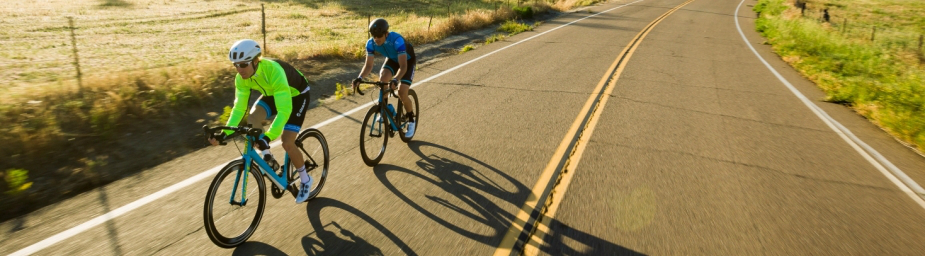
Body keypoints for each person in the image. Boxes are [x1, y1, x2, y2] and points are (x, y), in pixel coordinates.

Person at [209, 39, 314, 204]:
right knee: (252, 118)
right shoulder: (241, 78)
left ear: (255, 60)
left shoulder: (273, 70)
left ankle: (305, 179)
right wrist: (225, 133)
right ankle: (268, 157)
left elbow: (284, 110)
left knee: (287, 142)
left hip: (297, 95)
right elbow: (239, 109)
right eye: (235, 65)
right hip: (274, 92)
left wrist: (269, 136)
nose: (239, 69)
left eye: (243, 64)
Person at [352, 18, 417, 137]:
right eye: (374, 35)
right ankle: (384, 110)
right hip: (392, 59)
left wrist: (396, 79)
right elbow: (368, 66)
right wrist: (359, 77)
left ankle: (411, 119)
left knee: (402, 92)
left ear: (386, 34)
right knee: (383, 78)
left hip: (406, 61)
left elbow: (403, 67)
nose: (376, 39)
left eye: (379, 35)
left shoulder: (397, 40)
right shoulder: (370, 43)